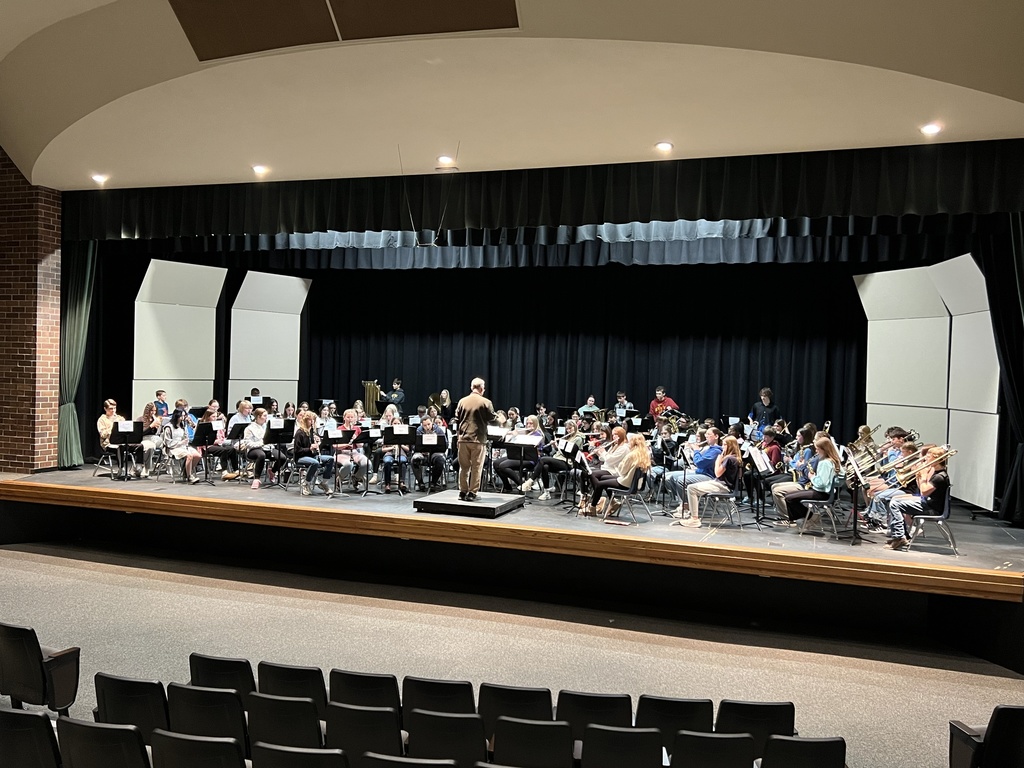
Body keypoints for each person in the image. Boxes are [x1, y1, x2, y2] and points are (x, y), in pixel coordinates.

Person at [885, 445, 950, 550]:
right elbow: (921, 489)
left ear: (937, 460)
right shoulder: (936, 473)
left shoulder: (940, 477)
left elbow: (924, 492)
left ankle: (899, 537)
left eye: (928, 457)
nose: (925, 459)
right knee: (894, 500)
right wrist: (918, 476)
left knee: (895, 504)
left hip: (932, 508)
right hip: (927, 503)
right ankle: (902, 535)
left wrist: (923, 476)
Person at [682, 435, 743, 528]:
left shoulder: (729, 459)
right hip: (721, 484)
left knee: (691, 488)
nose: (722, 447)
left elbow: (717, 474)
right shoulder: (736, 459)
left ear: (731, 446)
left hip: (722, 486)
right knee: (694, 486)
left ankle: (694, 519)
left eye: (725, 445)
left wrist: (718, 461)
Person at [780, 436, 843, 523]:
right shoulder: (831, 461)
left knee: (789, 498)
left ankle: (811, 517)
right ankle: (805, 519)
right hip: (824, 492)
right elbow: (841, 477)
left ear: (824, 450)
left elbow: (821, 483)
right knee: (789, 497)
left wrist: (812, 477)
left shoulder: (825, 463)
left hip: (821, 493)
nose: (816, 451)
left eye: (817, 449)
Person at [455, 378, 498, 501]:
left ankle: (462, 491)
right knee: (476, 467)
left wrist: (458, 437)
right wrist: (500, 419)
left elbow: (457, 419)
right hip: (478, 440)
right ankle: (472, 493)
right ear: (481, 388)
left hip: (463, 439)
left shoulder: (462, 401)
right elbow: (492, 419)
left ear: (471, 387)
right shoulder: (486, 402)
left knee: (464, 467)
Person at [665, 427, 723, 517]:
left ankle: (686, 506)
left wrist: (696, 450)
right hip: (699, 472)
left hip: (708, 476)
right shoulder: (710, 448)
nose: (706, 436)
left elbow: (699, 463)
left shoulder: (716, 450)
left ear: (716, 436)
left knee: (681, 480)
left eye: (708, 434)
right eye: (706, 434)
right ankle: (682, 503)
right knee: (669, 477)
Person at [522, 419, 585, 500]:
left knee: (543, 459)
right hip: (558, 460)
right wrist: (555, 445)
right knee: (545, 466)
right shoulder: (566, 437)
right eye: (567, 429)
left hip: (568, 462)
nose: (569, 430)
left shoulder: (578, 438)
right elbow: (557, 451)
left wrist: (560, 445)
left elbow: (570, 453)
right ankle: (546, 492)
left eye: (570, 428)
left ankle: (530, 481)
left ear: (575, 427)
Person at [581, 426, 630, 515]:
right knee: (591, 474)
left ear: (621, 435)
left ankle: (594, 504)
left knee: (593, 475)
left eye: (615, 435)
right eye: (613, 435)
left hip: (615, 471)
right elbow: (604, 458)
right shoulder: (615, 445)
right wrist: (598, 453)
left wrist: (603, 452)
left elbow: (610, 460)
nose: (613, 437)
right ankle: (610, 500)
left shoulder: (624, 448)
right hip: (607, 468)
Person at [494, 414, 544, 492]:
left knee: (503, 466)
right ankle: (507, 486)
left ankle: (521, 484)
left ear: (535, 424)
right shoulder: (526, 432)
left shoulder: (537, 434)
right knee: (496, 463)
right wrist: (511, 435)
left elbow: (529, 444)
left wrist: (518, 436)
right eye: (527, 423)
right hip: (518, 456)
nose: (528, 425)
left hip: (530, 459)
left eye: (531, 423)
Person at [242, 407, 286, 490]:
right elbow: (248, 443)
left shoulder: (267, 426)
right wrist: (261, 443)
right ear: (258, 417)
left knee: (282, 457)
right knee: (261, 455)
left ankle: (272, 471)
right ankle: (257, 479)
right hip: (254, 449)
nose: (266, 418)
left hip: (268, 448)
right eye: (265, 416)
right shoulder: (249, 428)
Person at [294, 410, 334, 497]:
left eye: (313, 420)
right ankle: (306, 483)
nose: (312, 422)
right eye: (310, 420)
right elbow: (297, 450)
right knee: (314, 462)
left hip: (312, 456)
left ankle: (324, 482)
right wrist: (310, 448)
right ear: (305, 420)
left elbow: (314, 447)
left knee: (330, 459)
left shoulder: (311, 431)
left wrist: (318, 443)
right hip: (301, 457)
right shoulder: (299, 433)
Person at [333, 408, 369, 490]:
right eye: (348, 417)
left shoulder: (357, 429)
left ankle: (356, 477)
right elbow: (335, 446)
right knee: (348, 465)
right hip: (341, 452)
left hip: (355, 452)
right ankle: (339, 479)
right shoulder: (339, 429)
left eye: (352, 417)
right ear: (344, 418)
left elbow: (360, 445)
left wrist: (356, 439)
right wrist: (346, 444)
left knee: (367, 463)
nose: (350, 419)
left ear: (355, 418)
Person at [163, 407, 201, 483]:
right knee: (189, 456)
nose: (183, 418)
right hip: (173, 448)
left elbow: (186, 436)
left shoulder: (183, 425)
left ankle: (185, 472)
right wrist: (180, 443)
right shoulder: (168, 427)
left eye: (184, 416)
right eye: (182, 416)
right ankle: (189, 476)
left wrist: (186, 441)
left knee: (197, 456)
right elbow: (168, 443)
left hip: (183, 446)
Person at [412, 415, 447, 491]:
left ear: (432, 423)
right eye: (425, 425)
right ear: (422, 425)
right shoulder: (418, 431)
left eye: (429, 424)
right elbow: (414, 446)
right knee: (414, 459)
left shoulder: (439, 430)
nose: (427, 427)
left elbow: (445, 444)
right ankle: (420, 482)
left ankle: (433, 482)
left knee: (440, 460)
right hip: (422, 453)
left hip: (435, 453)